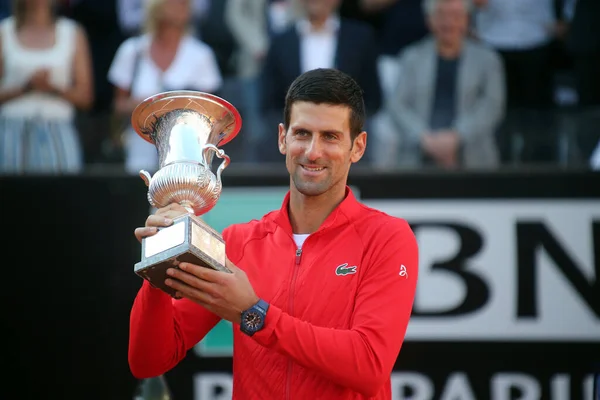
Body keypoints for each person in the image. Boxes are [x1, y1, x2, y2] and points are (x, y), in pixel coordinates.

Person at [129, 68, 419, 399]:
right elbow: (149, 361)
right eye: (302, 134)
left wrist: (253, 314)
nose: (312, 152)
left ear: (358, 146)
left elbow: (368, 366)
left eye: (330, 137)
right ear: (282, 138)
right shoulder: (239, 242)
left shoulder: (387, 237)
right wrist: (157, 269)